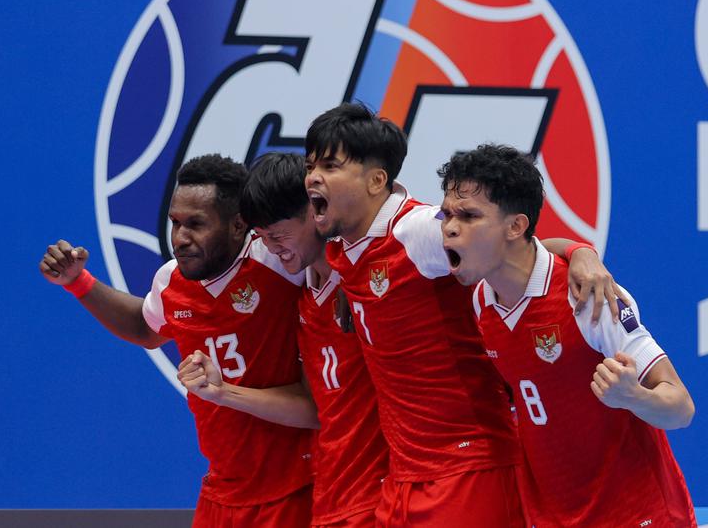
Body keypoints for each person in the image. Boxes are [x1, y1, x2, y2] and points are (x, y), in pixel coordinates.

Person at [301, 103, 619, 527]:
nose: (312, 177)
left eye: (329, 165)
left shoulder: (416, 231)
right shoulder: (346, 249)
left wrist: (581, 253)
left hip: (467, 471)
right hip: (405, 478)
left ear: (377, 180)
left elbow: (510, 244)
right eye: (310, 166)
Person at [39, 154, 313, 528]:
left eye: (196, 224)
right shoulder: (171, 282)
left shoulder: (282, 262)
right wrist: (78, 281)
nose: (180, 239)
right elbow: (143, 327)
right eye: (175, 223)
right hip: (221, 493)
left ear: (238, 225)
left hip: (296, 489)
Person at [438, 143, 696, 528]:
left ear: (515, 226)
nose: (450, 227)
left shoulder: (588, 298)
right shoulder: (481, 301)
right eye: (447, 215)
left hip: (637, 513)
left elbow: (681, 407)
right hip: (552, 516)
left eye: (469, 215)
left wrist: (634, 397)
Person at [179, 152, 389, 528]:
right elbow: (314, 409)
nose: (272, 248)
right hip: (331, 495)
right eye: (262, 238)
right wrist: (223, 392)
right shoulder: (305, 299)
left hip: (383, 494)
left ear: (315, 213)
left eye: (277, 235)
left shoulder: (368, 281)